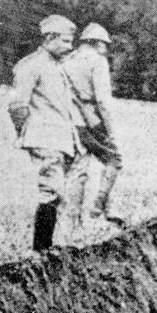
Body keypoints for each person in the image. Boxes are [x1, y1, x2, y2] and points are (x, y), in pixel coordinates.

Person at [7, 15, 82, 251]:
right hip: (45, 139)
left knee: (58, 194)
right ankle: (41, 251)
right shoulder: (32, 66)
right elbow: (17, 105)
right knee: (52, 191)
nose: (70, 47)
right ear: (50, 38)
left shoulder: (58, 67)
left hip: (61, 141)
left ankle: (47, 249)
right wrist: (30, 135)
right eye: (66, 41)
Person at [63, 22, 123, 229]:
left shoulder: (68, 59)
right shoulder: (98, 61)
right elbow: (103, 102)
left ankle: (71, 222)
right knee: (114, 160)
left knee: (78, 168)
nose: (106, 49)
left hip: (68, 120)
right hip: (90, 120)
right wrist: (111, 131)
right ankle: (99, 208)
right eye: (105, 44)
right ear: (97, 42)